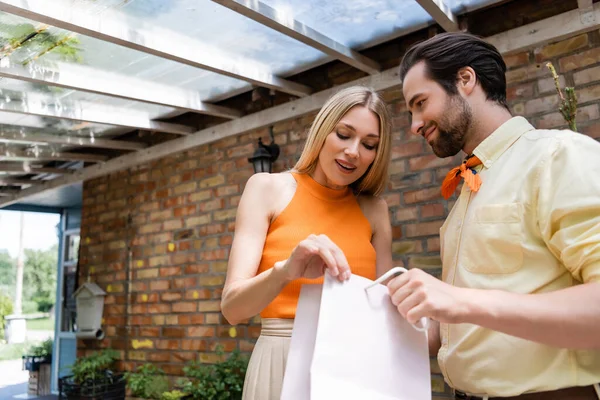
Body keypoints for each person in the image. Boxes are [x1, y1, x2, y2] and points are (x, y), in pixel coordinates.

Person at [388, 32, 600, 399]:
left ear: (465, 80)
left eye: (420, 103)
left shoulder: (558, 156)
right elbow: (466, 328)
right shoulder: (466, 194)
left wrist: (458, 301)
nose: (414, 124)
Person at [221, 86, 394, 400]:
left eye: (369, 144)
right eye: (344, 135)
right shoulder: (267, 188)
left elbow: (382, 310)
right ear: (323, 131)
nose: (354, 151)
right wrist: (285, 271)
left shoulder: (376, 210)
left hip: (356, 364)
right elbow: (232, 308)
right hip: (282, 361)